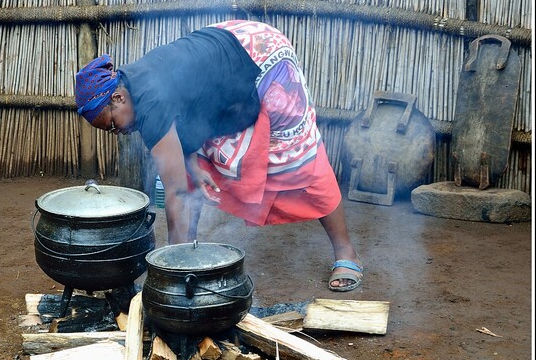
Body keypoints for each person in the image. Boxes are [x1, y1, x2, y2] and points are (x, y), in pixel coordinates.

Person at [73, 19, 363, 292]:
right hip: (229, 54)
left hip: (262, 56)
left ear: (119, 98)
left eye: (111, 124)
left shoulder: (149, 104)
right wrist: (190, 165)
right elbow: (182, 132)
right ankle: (192, 251)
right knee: (195, 166)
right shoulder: (133, 86)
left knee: (299, 158)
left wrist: (169, 270)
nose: (117, 132)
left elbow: (176, 193)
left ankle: (346, 252)